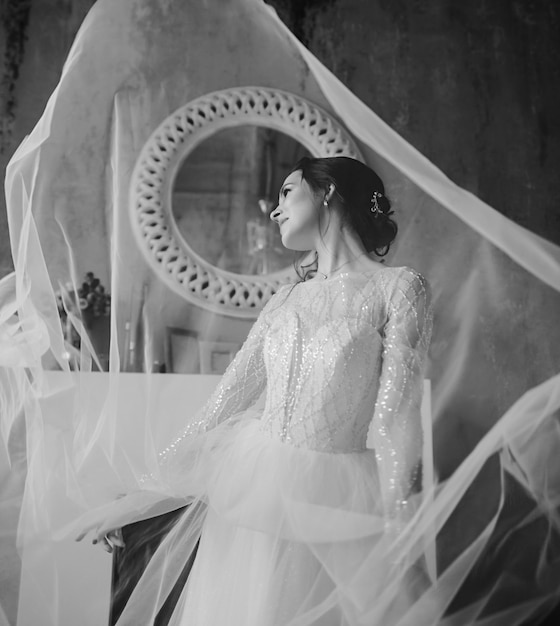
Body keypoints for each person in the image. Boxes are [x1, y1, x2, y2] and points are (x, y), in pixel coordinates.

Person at [76, 155, 434, 625]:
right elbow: (225, 401)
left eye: (288, 192)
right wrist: (144, 496)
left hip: (341, 501)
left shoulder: (399, 288)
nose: (274, 210)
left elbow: (397, 414)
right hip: (256, 495)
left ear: (327, 191)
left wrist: (402, 518)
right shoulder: (284, 299)